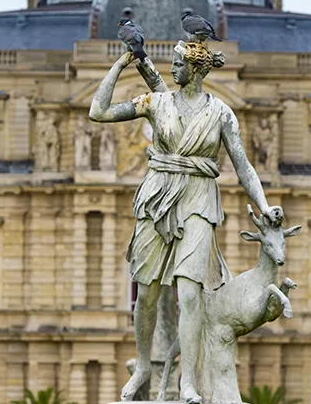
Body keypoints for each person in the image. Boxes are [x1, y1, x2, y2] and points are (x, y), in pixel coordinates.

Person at [90, 41, 282, 404]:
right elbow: (98, 112)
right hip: (157, 198)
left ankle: (188, 382)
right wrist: (121, 63)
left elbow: (242, 165)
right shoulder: (156, 103)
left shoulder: (222, 113)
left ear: (195, 69)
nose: (172, 69)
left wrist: (265, 204)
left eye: (178, 64)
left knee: (190, 293)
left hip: (198, 199)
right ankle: (145, 366)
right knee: (145, 292)